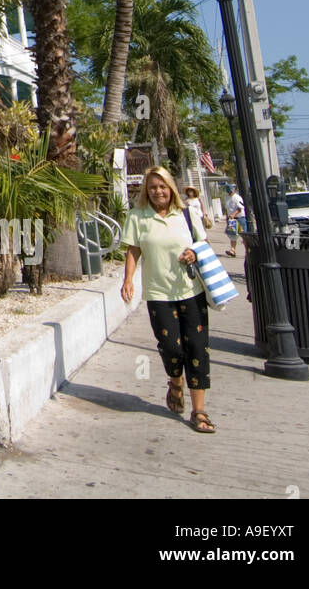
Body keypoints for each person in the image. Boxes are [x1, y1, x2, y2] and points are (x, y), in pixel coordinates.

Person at [121, 165, 215, 434]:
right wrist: (128, 279)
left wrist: (195, 254)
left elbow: (203, 243)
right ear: (146, 191)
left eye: (162, 186)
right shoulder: (138, 216)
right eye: (152, 187)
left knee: (197, 348)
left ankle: (199, 411)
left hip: (191, 290)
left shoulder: (185, 214)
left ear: (170, 188)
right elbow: (133, 250)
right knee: (171, 348)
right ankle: (175, 381)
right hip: (158, 293)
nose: (158, 192)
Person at [223, 183, 247, 258]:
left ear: (235, 189)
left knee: (244, 235)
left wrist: (234, 214)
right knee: (232, 235)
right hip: (231, 219)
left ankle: (248, 251)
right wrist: (228, 217)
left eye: (230, 188)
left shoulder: (237, 197)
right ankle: (232, 250)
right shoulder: (226, 198)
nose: (229, 190)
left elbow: (240, 208)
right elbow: (227, 209)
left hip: (240, 218)